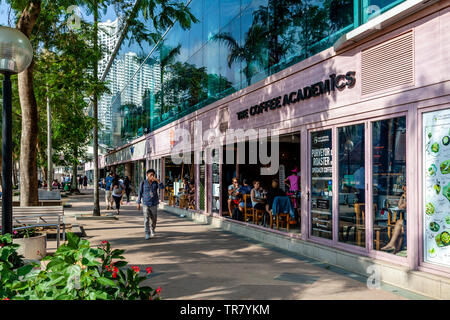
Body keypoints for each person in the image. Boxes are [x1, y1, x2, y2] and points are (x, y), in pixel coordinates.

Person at [137, 169, 165, 240]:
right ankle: (147, 233)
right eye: (150, 175)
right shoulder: (143, 182)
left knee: (154, 219)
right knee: (146, 219)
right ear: (147, 175)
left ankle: (152, 229)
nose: (152, 176)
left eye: (153, 175)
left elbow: (162, 188)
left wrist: (158, 181)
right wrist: (138, 203)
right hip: (146, 203)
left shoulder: (155, 183)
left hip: (154, 203)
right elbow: (140, 192)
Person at [381, 185, 406, 253]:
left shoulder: (412, 196)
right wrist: (402, 196)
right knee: (401, 228)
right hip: (408, 221)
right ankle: (395, 251)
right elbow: (399, 205)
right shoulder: (406, 196)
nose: (403, 188)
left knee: (399, 223)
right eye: (403, 187)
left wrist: (405, 196)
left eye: (404, 187)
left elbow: (401, 206)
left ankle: (391, 245)